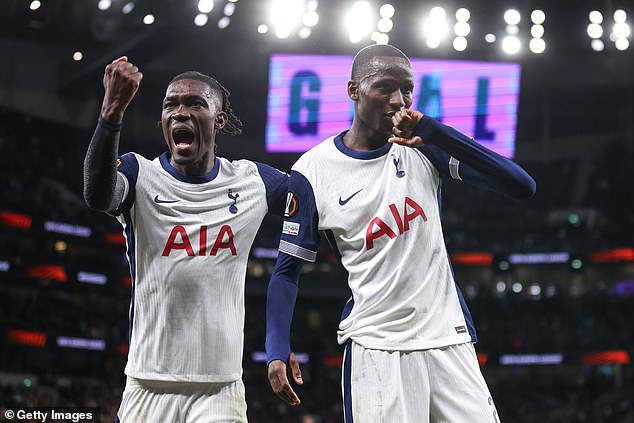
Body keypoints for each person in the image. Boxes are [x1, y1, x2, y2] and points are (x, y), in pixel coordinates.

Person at [265, 44, 536, 422]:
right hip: (377, 348)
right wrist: (276, 347)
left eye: (407, 89)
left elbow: (521, 185)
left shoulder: (426, 146)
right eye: (385, 88)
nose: (398, 100)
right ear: (353, 90)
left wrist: (435, 131)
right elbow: (286, 271)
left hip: (448, 338)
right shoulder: (312, 172)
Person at [83, 56, 294, 422]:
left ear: (219, 120)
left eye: (195, 103)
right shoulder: (140, 173)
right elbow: (98, 196)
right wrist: (111, 112)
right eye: (170, 105)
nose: (180, 112)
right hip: (146, 385)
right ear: (162, 121)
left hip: (220, 390)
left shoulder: (253, 180)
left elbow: (312, 200)